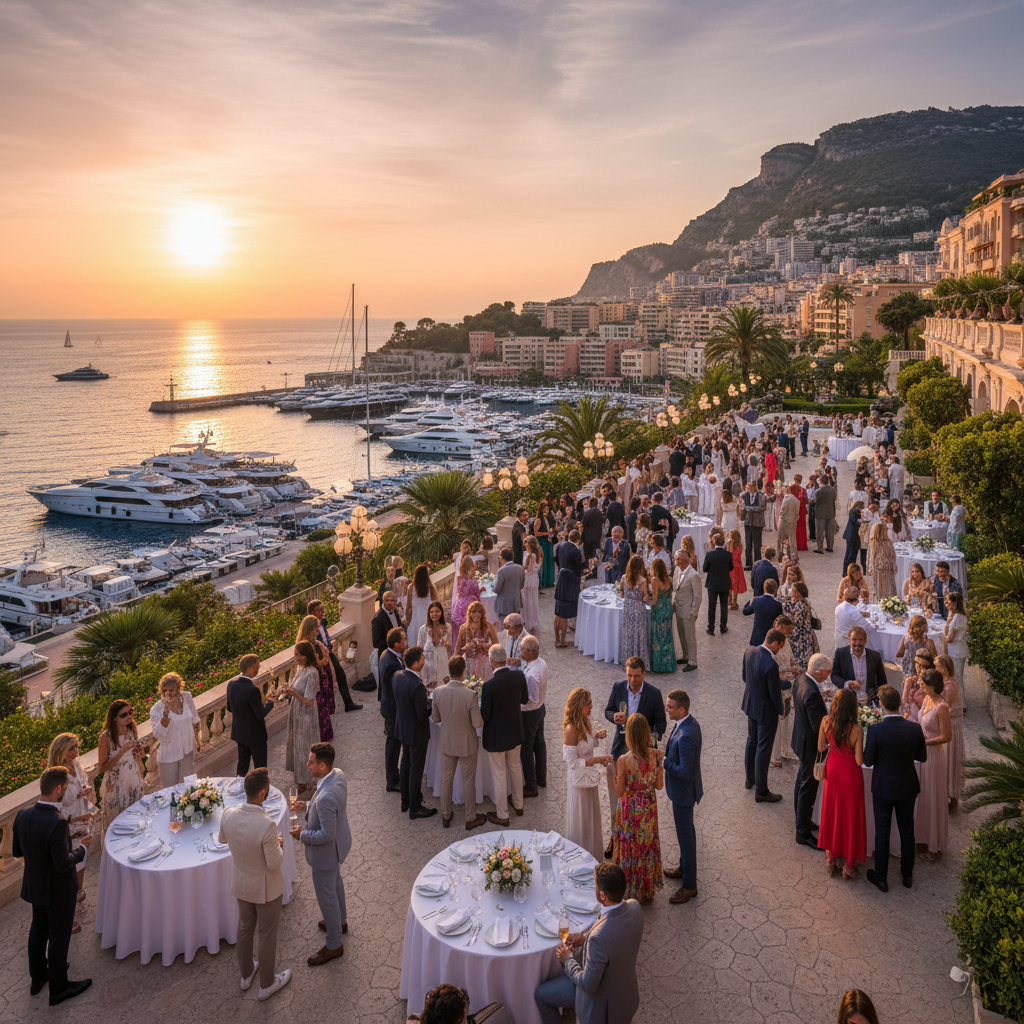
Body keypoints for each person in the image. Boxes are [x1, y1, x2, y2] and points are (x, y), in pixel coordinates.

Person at [13, 766, 92, 1005]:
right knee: (58, 937)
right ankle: (59, 988)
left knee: (38, 931)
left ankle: (38, 978)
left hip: (35, 886)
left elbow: (17, 851)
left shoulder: (22, 815)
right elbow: (63, 863)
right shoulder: (56, 823)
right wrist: (83, 849)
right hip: (58, 889)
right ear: (58, 788)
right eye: (66, 787)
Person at [533, 863, 644, 1024]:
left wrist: (567, 959)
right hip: (626, 996)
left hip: (601, 1007)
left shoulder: (598, 939)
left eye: (595, 884)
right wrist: (584, 938)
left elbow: (587, 985)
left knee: (540, 994)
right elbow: (615, 938)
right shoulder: (635, 907)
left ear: (602, 895)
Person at [218, 767, 290, 1000]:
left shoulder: (228, 813)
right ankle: (267, 984)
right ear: (263, 793)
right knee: (267, 933)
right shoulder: (267, 824)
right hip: (266, 888)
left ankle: (246, 974)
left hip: (241, 883)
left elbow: (222, 839)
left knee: (244, 927)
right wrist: (279, 843)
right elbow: (275, 863)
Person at [290, 743, 352, 966]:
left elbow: (326, 833)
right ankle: (341, 923)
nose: (307, 765)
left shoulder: (325, 796)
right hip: (337, 848)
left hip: (326, 854)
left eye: (311, 762)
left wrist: (302, 835)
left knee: (327, 898)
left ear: (323, 766)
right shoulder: (338, 774)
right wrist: (305, 807)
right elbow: (328, 810)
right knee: (336, 885)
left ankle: (334, 944)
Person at [863, 684, 929, 892]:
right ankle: (907, 874)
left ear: (881, 705)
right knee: (907, 830)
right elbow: (922, 757)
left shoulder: (876, 730)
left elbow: (869, 759)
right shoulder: (914, 728)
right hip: (907, 785)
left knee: (882, 831)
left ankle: (881, 877)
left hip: (883, 786)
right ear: (900, 705)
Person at [603, 658, 666, 857]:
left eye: (636, 675)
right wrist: (613, 717)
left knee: (640, 804)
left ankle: (638, 844)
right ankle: (615, 840)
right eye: (629, 675)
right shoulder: (618, 687)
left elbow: (661, 725)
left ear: (644, 674)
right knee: (616, 801)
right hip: (619, 749)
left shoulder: (654, 694)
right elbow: (608, 709)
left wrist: (645, 738)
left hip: (642, 756)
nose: (632, 679)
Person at [45, 734, 95, 934]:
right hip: (68, 823)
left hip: (83, 817)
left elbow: (83, 783)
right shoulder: (56, 774)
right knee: (68, 865)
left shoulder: (77, 764)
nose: (76, 752)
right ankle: (68, 908)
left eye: (76, 747)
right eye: (71, 749)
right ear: (61, 752)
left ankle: (77, 895)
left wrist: (87, 791)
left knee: (81, 858)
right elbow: (61, 801)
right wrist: (78, 794)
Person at [612, 713, 664, 903]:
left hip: (629, 811)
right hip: (648, 811)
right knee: (646, 848)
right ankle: (646, 890)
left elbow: (618, 792)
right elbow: (659, 786)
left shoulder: (623, 760)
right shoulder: (657, 756)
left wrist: (614, 778)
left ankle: (629, 890)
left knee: (630, 849)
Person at [431, 655, 486, 830]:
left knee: (447, 779)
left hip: (447, 742)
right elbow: (478, 723)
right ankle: (470, 817)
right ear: (464, 672)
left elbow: (435, 718)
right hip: (467, 743)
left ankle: (446, 815)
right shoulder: (470, 695)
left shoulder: (438, 692)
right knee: (468, 780)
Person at [816, 688, 866, 879]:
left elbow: (821, 747)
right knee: (850, 815)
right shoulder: (856, 730)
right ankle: (849, 865)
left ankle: (831, 857)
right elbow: (860, 761)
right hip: (850, 774)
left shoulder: (826, 721)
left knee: (832, 812)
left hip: (832, 770)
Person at [480, 644, 529, 826]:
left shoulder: (489, 685)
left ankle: (502, 813)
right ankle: (518, 804)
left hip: (496, 736)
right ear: (505, 659)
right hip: (515, 731)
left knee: (499, 774)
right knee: (515, 767)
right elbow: (524, 699)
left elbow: (485, 714)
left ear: (492, 661)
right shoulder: (518, 676)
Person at [562, 688, 613, 861]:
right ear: (578, 706)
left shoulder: (585, 722)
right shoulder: (571, 729)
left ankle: (591, 856)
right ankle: (579, 858)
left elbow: (585, 747)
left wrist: (596, 737)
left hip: (588, 779)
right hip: (579, 781)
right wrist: (597, 760)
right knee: (581, 818)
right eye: (588, 704)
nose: (591, 706)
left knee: (590, 817)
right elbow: (573, 762)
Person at [662, 689, 702, 903]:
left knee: (686, 838)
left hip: (684, 793)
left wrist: (663, 762)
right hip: (684, 792)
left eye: (670, 707)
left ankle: (689, 886)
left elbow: (685, 771)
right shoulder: (686, 724)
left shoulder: (686, 735)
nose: (666, 709)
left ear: (682, 709)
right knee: (687, 834)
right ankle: (683, 867)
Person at [741, 630, 786, 802]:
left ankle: (749, 779)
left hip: (751, 704)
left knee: (751, 741)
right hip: (766, 711)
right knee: (763, 749)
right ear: (776, 642)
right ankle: (762, 790)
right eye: (780, 647)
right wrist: (780, 709)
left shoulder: (749, 651)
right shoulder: (771, 664)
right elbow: (774, 693)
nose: (779, 651)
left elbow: (745, 677)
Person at [791, 654, 831, 849]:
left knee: (801, 781)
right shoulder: (812, 693)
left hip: (800, 738)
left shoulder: (801, 679)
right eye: (828, 671)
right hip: (810, 746)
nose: (829, 675)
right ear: (819, 671)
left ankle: (802, 819)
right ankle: (802, 832)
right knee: (808, 787)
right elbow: (819, 727)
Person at [393, 646, 436, 820]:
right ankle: (416, 807)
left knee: (405, 764)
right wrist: (432, 700)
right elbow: (422, 713)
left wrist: (424, 689)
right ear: (417, 663)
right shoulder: (416, 685)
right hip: (416, 732)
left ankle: (405, 801)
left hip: (403, 728)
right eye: (422, 658)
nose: (424, 660)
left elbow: (407, 697)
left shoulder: (398, 676)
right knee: (416, 768)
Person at [916, 669, 951, 861]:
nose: (919, 684)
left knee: (932, 796)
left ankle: (934, 846)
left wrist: (925, 742)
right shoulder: (926, 698)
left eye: (922, 682)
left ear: (931, 686)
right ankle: (922, 836)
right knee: (922, 796)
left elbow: (947, 736)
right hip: (922, 753)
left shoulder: (942, 706)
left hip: (933, 756)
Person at [97, 699, 145, 830]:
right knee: (118, 825)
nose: (128, 717)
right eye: (123, 715)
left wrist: (137, 751)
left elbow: (134, 755)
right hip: (116, 784)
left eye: (129, 713)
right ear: (114, 718)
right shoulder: (106, 737)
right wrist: (122, 751)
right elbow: (101, 768)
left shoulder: (131, 729)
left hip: (133, 778)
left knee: (137, 819)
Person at [280, 641, 322, 795]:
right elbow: (294, 687)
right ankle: (299, 779)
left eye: (298, 655)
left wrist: (294, 694)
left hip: (306, 715)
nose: (295, 658)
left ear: (305, 656)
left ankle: (306, 780)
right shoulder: (299, 668)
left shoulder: (312, 672)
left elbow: (310, 701)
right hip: (296, 711)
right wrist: (286, 691)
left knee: (305, 747)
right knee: (297, 745)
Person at [226, 654, 275, 777]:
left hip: (240, 733)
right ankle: (260, 791)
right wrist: (270, 702)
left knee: (242, 764)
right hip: (256, 735)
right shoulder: (252, 690)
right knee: (260, 767)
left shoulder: (231, 684)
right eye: (257, 666)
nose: (258, 668)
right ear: (252, 668)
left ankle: (238, 788)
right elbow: (260, 714)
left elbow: (230, 708)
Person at [308, 599, 361, 711]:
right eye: (319, 610)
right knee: (324, 684)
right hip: (320, 658)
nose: (323, 612)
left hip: (329, 653)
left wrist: (329, 644)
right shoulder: (309, 626)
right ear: (312, 612)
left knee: (341, 675)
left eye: (323, 609)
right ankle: (325, 709)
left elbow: (325, 635)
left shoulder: (323, 621)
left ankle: (348, 703)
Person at [298, 614, 335, 743]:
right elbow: (309, 665)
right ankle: (321, 739)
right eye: (316, 628)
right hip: (315, 681)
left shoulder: (314, 643)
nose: (318, 631)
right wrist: (323, 662)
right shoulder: (306, 646)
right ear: (310, 628)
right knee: (319, 711)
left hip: (320, 678)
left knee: (322, 709)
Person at [379, 627, 407, 793]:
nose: (405, 641)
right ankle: (392, 781)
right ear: (396, 643)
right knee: (393, 745)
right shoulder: (391, 663)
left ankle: (394, 775)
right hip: (393, 709)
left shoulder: (388, 655)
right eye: (403, 639)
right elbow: (393, 689)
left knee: (393, 743)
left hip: (389, 707)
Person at [519, 635, 548, 797]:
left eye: (523, 649)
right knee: (539, 743)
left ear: (529, 652)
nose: (521, 652)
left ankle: (531, 786)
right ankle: (541, 777)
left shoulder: (531, 676)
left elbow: (530, 699)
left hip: (530, 713)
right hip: (540, 708)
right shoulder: (541, 663)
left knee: (526, 749)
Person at [831, 625, 887, 704]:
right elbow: (834, 676)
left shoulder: (875, 656)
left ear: (865, 640)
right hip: (847, 701)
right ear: (849, 640)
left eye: (860, 640)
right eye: (854, 639)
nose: (857, 643)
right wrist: (847, 684)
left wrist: (879, 699)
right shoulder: (840, 653)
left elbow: (882, 681)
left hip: (869, 702)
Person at [618, 554, 651, 665]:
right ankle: (639, 660)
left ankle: (627, 659)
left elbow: (621, 593)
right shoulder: (642, 580)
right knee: (639, 635)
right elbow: (646, 598)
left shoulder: (624, 577)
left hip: (627, 607)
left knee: (628, 634)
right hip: (638, 608)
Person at [553, 529, 584, 647]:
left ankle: (557, 639)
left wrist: (562, 568)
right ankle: (563, 641)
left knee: (558, 612)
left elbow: (555, 558)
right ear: (578, 539)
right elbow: (577, 567)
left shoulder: (560, 545)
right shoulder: (576, 550)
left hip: (561, 578)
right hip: (570, 581)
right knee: (564, 614)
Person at [672, 548, 701, 672]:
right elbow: (675, 589)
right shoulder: (677, 570)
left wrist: (693, 613)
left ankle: (693, 661)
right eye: (676, 559)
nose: (677, 561)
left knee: (690, 637)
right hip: (678, 608)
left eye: (679, 559)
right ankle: (685, 656)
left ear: (686, 560)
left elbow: (697, 596)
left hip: (688, 611)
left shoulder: (694, 575)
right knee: (681, 634)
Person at [455, 600, 499, 680]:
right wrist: (466, 647)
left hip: (484, 663)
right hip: (469, 663)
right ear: (469, 614)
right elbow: (458, 650)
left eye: (479, 612)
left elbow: (496, 646)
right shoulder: (464, 628)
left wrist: (484, 645)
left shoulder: (488, 626)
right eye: (473, 612)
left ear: (482, 614)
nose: (476, 615)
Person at [648, 557, 676, 674]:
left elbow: (654, 597)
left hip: (659, 609)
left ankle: (658, 666)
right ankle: (669, 664)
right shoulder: (669, 579)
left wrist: (652, 610)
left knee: (658, 637)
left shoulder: (654, 580)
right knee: (668, 637)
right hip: (668, 608)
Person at [783, 581, 819, 670]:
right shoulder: (805, 602)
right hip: (807, 635)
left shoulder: (799, 605)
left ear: (797, 592)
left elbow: (796, 624)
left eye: (793, 590)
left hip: (801, 639)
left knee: (801, 663)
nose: (790, 591)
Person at [702, 533, 733, 636]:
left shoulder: (709, 555)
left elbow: (705, 569)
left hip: (713, 583)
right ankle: (723, 626)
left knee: (712, 606)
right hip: (724, 582)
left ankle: (711, 628)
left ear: (714, 542)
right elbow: (731, 567)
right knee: (724, 605)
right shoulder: (728, 554)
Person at [417, 601, 452, 689]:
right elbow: (419, 650)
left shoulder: (447, 627)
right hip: (428, 668)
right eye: (432, 612)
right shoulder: (423, 629)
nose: (434, 614)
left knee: (443, 691)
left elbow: (450, 648)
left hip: (442, 666)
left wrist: (446, 644)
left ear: (441, 612)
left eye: (437, 611)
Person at [405, 564, 439, 648]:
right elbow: (437, 604)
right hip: (428, 617)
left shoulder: (411, 588)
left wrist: (408, 621)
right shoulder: (431, 588)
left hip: (415, 619)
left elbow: (408, 606)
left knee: (415, 644)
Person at [742, 578, 783, 647]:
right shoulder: (777, 605)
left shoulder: (757, 601)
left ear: (764, 588)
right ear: (776, 589)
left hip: (756, 637)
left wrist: (750, 601)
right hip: (770, 638)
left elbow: (745, 611)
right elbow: (779, 620)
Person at [943, 591, 968, 705]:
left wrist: (944, 638)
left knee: (957, 679)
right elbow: (946, 632)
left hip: (957, 652)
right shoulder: (952, 615)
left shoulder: (958, 617)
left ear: (954, 603)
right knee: (954, 678)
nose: (945, 603)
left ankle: (961, 705)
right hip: (954, 651)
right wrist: (948, 622)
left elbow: (949, 638)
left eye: (948, 601)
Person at [834, 587, 878, 651]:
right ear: (856, 600)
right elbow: (867, 628)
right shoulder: (853, 612)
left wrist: (865, 614)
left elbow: (848, 615)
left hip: (839, 638)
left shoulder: (839, 607)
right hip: (849, 642)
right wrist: (876, 625)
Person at [866, 522, 897, 600]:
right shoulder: (889, 542)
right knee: (888, 586)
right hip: (888, 567)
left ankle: (880, 602)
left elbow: (872, 556)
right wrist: (894, 566)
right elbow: (893, 555)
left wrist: (870, 567)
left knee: (879, 588)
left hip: (878, 567)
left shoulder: (874, 542)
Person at [491, 546, 524, 620]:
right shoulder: (520, 568)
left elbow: (496, 589)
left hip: (504, 606)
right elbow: (521, 585)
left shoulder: (501, 571)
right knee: (515, 626)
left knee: (505, 627)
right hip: (516, 603)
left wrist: (491, 584)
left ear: (502, 559)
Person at [451, 556, 481, 633]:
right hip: (471, 604)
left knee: (461, 628)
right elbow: (477, 595)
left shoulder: (459, 579)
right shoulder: (473, 581)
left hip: (460, 604)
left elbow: (460, 592)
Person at [741, 480, 767, 569]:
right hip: (748, 523)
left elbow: (763, 507)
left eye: (749, 487)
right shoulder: (745, 495)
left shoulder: (761, 495)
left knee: (757, 545)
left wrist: (751, 509)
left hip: (757, 523)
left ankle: (757, 563)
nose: (748, 489)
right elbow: (743, 505)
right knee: (748, 544)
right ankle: (748, 564)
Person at [372, 589, 406, 656]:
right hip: (387, 655)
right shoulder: (377, 619)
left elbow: (399, 625)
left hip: (399, 651)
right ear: (383, 601)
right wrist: (393, 641)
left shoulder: (393, 609)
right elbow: (376, 643)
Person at [521, 535, 542, 634]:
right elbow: (538, 567)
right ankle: (534, 623)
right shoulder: (539, 554)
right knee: (534, 601)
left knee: (527, 602)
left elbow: (526, 568)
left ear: (530, 544)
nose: (524, 544)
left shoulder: (529, 555)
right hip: (535, 578)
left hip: (528, 579)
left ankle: (528, 624)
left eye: (526, 542)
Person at [535, 500, 557, 587]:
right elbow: (536, 533)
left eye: (547, 511)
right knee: (543, 561)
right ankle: (543, 582)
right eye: (544, 510)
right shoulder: (538, 520)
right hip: (542, 542)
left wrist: (552, 531)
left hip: (548, 541)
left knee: (549, 560)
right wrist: (547, 533)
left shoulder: (548, 519)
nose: (546, 512)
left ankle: (549, 581)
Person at [814, 475, 837, 554]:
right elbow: (834, 498)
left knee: (820, 531)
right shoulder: (832, 490)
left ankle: (820, 548)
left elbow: (814, 500)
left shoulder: (819, 491)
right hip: (830, 512)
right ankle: (830, 546)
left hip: (820, 513)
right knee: (830, 531)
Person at [777, 487, 800, 560]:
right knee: (793, 539)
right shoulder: (797, 500)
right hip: (793, 521)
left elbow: (782, 511)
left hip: (784, 521)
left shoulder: (786, 499)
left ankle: (780, 554)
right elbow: (797, 513)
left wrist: (780, 519)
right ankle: (794, 554)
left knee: (780, 538)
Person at [726, 528, 747, 611]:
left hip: (731, 566)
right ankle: (735, 601)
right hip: (738, 567)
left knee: (730, 585)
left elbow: (728, 554)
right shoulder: (740, 545)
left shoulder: (730, 544)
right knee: (736, 585)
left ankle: (729, 601)